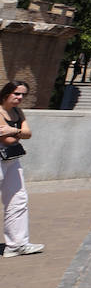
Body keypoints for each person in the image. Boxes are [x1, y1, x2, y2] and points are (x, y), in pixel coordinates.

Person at [1, 81, 42, 258]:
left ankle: (17, 245)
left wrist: (12, 130)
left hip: (12, 160)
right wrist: (17, 132)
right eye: (16, 93)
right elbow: (8, 139)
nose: (20, 98)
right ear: (6, 93)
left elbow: (28, 134)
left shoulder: (17, 111)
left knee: (18, 200)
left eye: (23, 95)